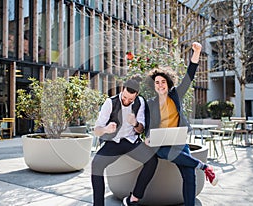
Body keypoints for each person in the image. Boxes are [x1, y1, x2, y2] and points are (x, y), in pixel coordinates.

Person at [145, 42, 218, 206]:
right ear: (153, 85)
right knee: (165, 153)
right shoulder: (150, 103)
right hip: (161, 144)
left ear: (168, 83)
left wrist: (197, 52)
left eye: (163, 81)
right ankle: (204, 166)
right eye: (157, 82)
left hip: (178, 140)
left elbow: (189, 75)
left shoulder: (176, 95)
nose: (160, 85)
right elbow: (149, 125)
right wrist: (148, 137)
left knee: (189, 174)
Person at [91, 77, 158, 206]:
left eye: (130, 99)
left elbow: (140, 130)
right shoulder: (110, 103)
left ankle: (134, 198)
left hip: (131, 141)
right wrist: (105, 129)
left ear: (136, 95)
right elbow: (96, 130)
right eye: (125, 97)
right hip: (113, 142)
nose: (127, 101)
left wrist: (135, 123)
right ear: (122, 90)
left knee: (152, 160)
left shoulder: (140, 102)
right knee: (96, 165)